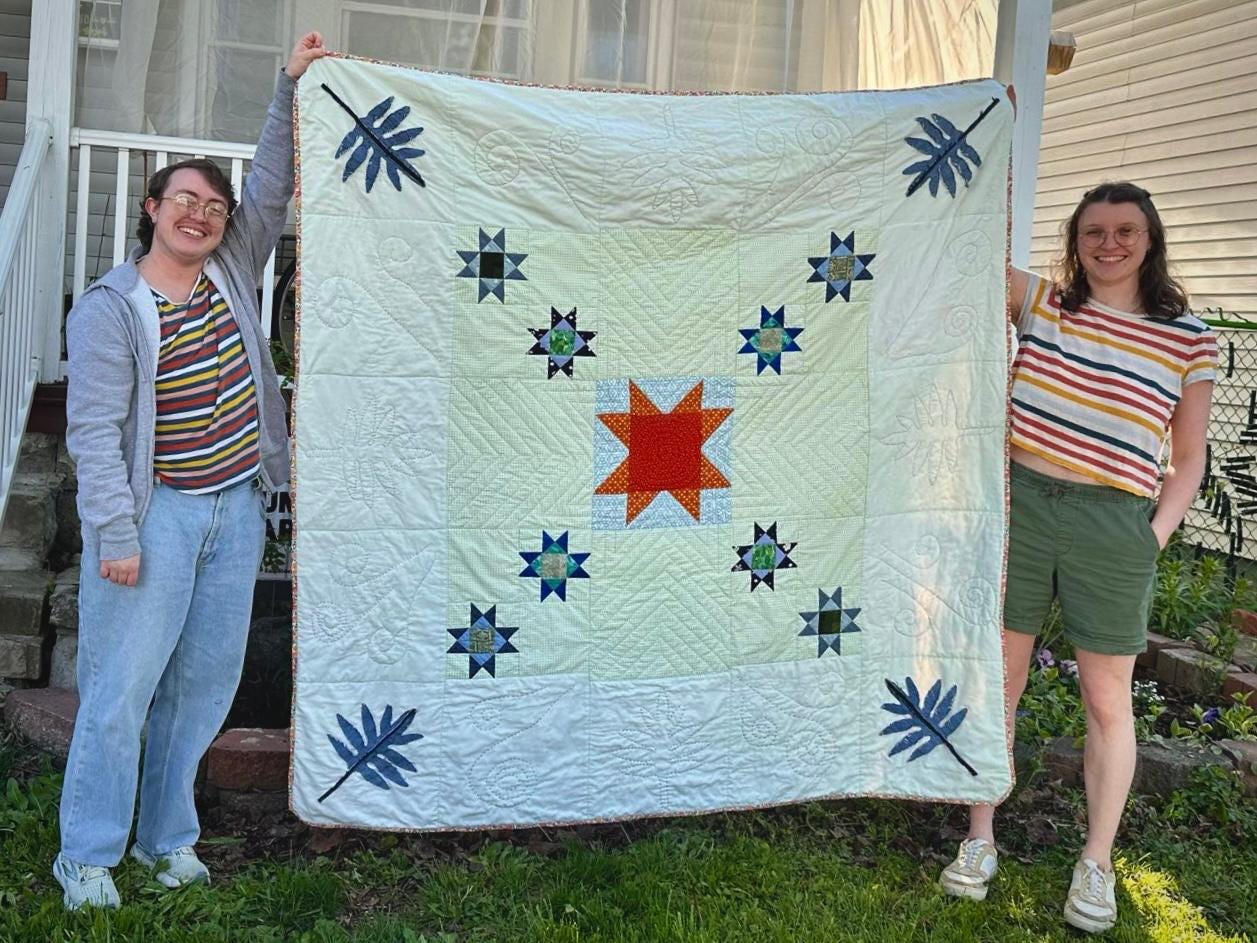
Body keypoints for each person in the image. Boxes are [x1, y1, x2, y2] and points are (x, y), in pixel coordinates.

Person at [53, 32, 326, 910]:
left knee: (201, 686)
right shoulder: (112, 308)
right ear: (151, 208)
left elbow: (275, 182)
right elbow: (94, 433)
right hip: (156, 515)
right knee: (119, 688)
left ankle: (166, 837)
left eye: (213, 204)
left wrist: (288, 88)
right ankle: (87, 853)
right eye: (185, 201)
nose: (201, 215)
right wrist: (117, 534)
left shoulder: (234, 272)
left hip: (234, 510)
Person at [938, 182, 1217, 933]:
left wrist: (1150, 535)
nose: (1109, 243)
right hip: (1022, 506)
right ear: (1075, 239)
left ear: (1149, 238)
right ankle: (978, 835)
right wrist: (990, 118)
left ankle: (1095, 860)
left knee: (1105, 700)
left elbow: (1186, 458)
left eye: (1125, 230)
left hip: (1113, 522)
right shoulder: (1043, 302)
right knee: (1001, 680)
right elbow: (959, 255)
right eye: (1093, 230)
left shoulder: (1188, 337)